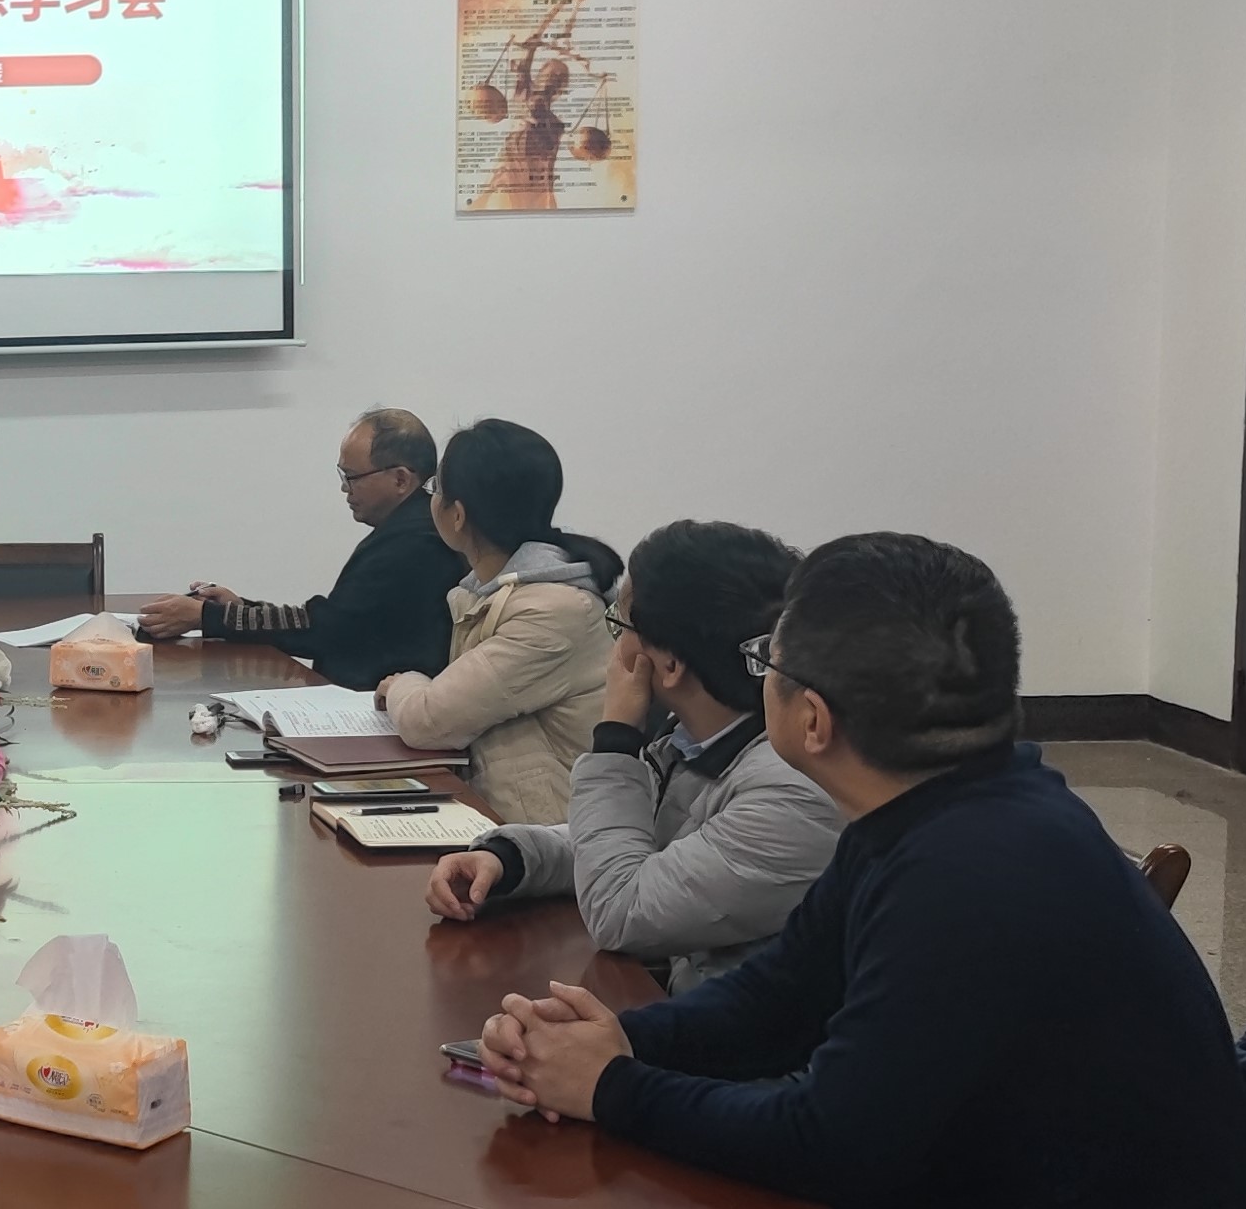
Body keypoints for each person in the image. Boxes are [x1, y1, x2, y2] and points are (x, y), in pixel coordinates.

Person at [475, 534, 1246, 1209]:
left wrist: (614, 1087)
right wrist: (608, 1040)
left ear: (809, 719)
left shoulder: (970, 873)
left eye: (768, 663)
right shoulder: (942, 814)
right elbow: (774, 1002)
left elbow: (830, 1143)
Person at [428, 520, 842, 990]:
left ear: (669, 664)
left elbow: (621, 910)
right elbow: (633, 845)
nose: (616, 647)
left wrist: (615, 739)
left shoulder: (792, 791)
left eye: (620, 625)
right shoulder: (700, 741)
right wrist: (511, 858)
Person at [376, 419, 618, 824]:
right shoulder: (491, 591)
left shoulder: (552, 611)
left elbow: (427, 721)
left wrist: (401, 683)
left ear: (457, 516)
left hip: (553, 837)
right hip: (504, 817)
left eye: (436, 489)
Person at [135, 407, 465, 690]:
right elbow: (331, 619)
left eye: (351, 477)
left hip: (375, 714)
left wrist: (209, 617)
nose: (344, 489)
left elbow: (322, 628)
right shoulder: (411, 526)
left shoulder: (415, 543)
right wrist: (240, 608)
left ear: (401, 480)